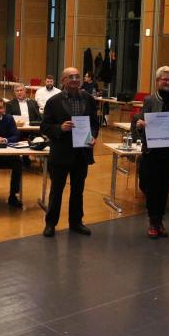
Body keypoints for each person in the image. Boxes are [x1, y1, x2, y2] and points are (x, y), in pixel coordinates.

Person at [40, 67, 98, 237]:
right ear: (63, 80)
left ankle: (76, 222)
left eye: (77, 76)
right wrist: (60, 128)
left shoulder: (88, 99)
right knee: (56, 191)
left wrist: (93, 136)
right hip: (61, 153)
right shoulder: (54, 101)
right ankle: (50, 223)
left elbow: (94, 123)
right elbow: (44, 127)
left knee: (78, 191)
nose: (75, 79)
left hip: (82, 152)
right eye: (70, 77)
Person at [132, 66, 169, 239]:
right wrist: (140, 126)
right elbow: (139, 127)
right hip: (153, 153)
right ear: (157, 81)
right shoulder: (149, 101)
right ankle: (153, 222)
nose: (167, 81)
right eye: (164, 79)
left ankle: (160, 220)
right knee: (152, 188)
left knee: (164, 189)